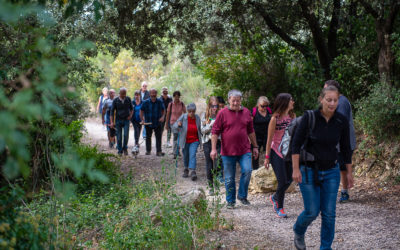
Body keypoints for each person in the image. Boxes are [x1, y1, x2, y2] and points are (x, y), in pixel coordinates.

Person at [292, 86, 354, 250]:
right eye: (329, 100)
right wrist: (295, 169)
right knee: (312, 211)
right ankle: (298, 230)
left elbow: (346, 148)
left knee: (329, 214)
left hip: (332, 171)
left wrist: (349, 173)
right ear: (321, 99)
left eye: (335, 100)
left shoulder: (341, 121)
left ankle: (325, 247)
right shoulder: (310, 117)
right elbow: (296, 144)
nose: (332, 103)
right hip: (308, 170)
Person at [211, 89, 259, 209]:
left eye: (238, 100)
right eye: (233, 101)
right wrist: (213, 149)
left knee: (248, 171)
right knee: (229, 178)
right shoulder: (222, 113)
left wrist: (255, 146)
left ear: (241, 100)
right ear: (229, 100)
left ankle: (242, 196)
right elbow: (215, 132)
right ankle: (230, 201)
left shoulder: (247, 112)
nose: (236, 103)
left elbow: (251, 131)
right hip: (227, 151)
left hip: (244, 150)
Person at [324, 80, 356, 203]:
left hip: (343, 142)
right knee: (340, 167)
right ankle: (343, 191)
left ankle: (343, 192)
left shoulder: (342, 102)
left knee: (340, 167)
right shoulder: (335, 101)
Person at [264, 93, 295, 218]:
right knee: (282, 180)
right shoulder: (274, 119)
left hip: (288, 152)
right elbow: (269, 139)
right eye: (291, 100)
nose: (293, 102)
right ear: (285, 102)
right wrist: (266, 157)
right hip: (276, 152)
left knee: (290, 178)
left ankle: (275, 196)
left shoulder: (292, 116)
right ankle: (279, 206)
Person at [173, 103, 202, 181]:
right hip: (185, 140)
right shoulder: (183, 117)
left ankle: (193, 171)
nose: (191, 113)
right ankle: (186, 169)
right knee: (186, 155)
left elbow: (200, 128)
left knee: (192, 154)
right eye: (190, 111)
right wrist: (178, 125)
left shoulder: (197, 118)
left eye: (193, 111)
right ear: (187, 111)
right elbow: (175, 127)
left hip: (195, 140)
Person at [201, 97, 223, 194]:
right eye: (213, 106)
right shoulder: (205, 115)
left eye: (216, 106)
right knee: (209, 164)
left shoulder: (221, 114)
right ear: (209, 106)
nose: (215, 108)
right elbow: (202, 130)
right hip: (207, 142)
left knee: (218, 162)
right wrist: (210, 126)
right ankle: (210, 187)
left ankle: (217, 185)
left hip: (218, 141)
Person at [140, 88, 165, 156]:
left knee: (158, 137)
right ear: (150, 94)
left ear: (156, 94)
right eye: (152, 93)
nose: (153, 94)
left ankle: (159, 151)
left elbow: (163, 110)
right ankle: (148, 151)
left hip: (157, 122)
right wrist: (142, 119)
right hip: (148, 123)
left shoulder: (160, 101)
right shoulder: (145, 102)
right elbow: (141, 111)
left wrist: (162, 117)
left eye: (154, 93)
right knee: (148, 137)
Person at [110, 88, 133, 156]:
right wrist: (111, 122)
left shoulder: (128, 99)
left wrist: (130, 116)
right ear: (119, 93)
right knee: (119, 137)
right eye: (122, 94)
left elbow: (132, 109)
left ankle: (125, 148)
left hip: (126, 120)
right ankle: (120, 150)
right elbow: (112, 112)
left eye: (125, 94)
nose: (124, 95)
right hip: (118, 120)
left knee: (126, 135)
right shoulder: (115, 100)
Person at [165, 91, 186, 159]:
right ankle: (175, 153)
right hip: (173, 123)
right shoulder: (170, 104)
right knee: (175, 137)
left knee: (180, 137)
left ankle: (177, 150)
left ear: (179, 97)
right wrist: (166, 124)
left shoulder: (182, 104)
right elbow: (168, 114)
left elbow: (185, 114)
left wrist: (185, 122)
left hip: (180, 123)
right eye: (175, 96)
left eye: (178, 96)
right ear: (173, 97)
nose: (176, 98)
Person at [252, 96, 272, 170]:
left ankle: (269, 169)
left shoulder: (269, 111)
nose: (264, 108)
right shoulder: (254, 112)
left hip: (267, 135)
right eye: (262, 106)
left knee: (268, 153)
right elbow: (249, 124)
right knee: (255, 154)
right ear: (258, 104)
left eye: (266, 106)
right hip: (256, 136)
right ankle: (255, 170)